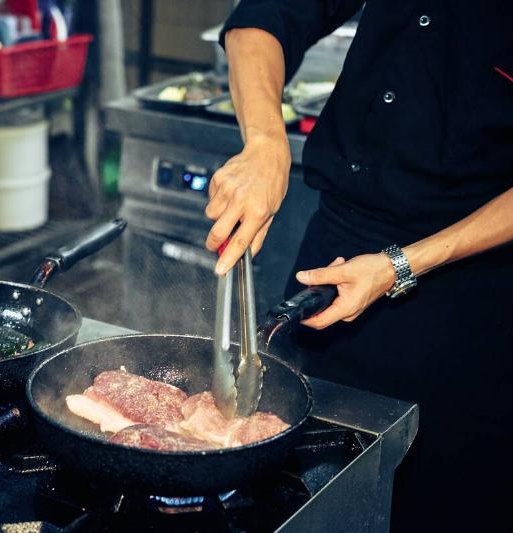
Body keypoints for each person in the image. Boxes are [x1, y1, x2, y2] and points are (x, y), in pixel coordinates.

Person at [207, 1, 513, 531]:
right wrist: (265, 143)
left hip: (473, 285)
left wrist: (400, 265)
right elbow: (266, 15)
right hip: (335, 254)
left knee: (439, 503)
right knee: (286, 491)